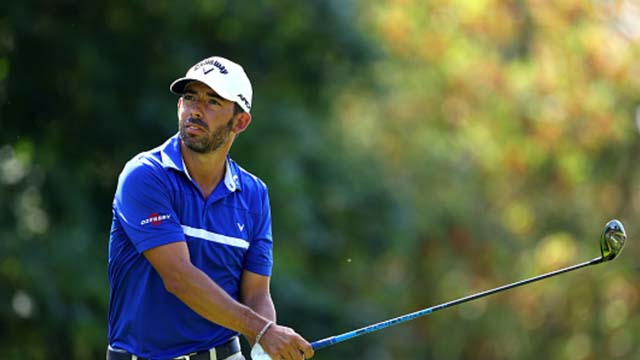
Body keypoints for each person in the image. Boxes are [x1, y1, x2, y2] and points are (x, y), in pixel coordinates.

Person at [107, 56, 314, 360]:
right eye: (190, 98)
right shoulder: (146, 175)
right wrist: (263, 332)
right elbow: (179, 277)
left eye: (213, 101)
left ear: (240, 122)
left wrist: (265, 348)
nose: (196, 109)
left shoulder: (254, 194)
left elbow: (256, 291)